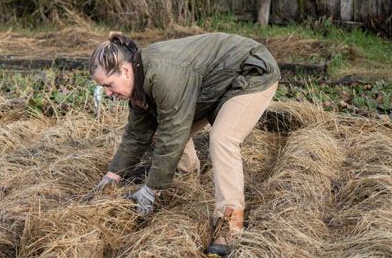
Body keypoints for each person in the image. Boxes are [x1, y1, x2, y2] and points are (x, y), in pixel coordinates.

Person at [88, 31, 280, 256]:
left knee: (222, 138)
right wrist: (112, 176)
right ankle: (185, 175)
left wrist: (151, 190)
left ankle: (230, 222)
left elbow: (173, 133)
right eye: (104, 88)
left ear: (125, 70)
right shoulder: (139, 83)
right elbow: (136, 135)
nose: (108, 93)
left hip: (250, 74)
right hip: (213, 85)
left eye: (109, 85)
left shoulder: (163, 75)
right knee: (165, 130)